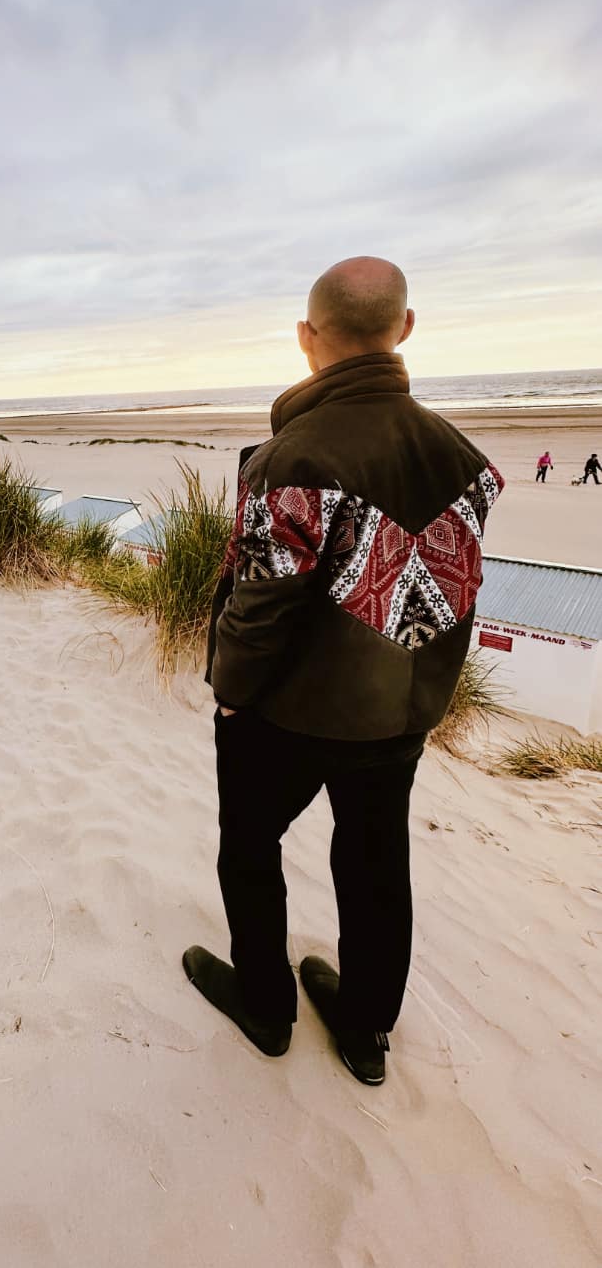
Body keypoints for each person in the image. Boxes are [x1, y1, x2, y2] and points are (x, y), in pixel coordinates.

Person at [183, 257, 502, 1086]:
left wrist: (229, 696)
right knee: (374, 864)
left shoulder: (293, 456)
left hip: (286, 716)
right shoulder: (464, 459)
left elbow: (261, 605)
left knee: (248, 848)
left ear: (305, 340)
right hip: (399, 716)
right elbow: (440, 602)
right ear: (403, 328)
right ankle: (364, 1034)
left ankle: (266, 1007)